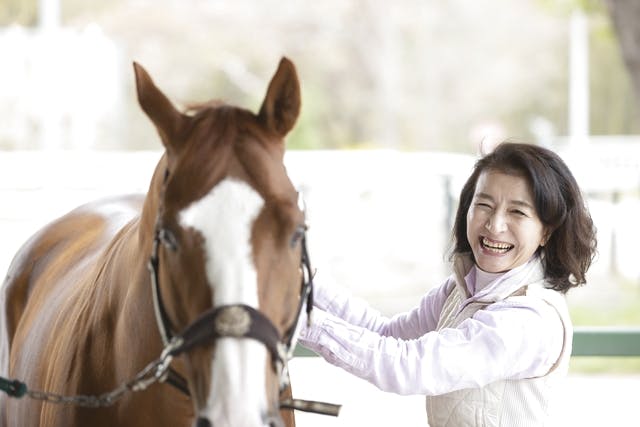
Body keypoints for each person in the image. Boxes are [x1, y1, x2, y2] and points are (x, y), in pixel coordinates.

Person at [298, 142, 597, 427]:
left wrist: (295, 320)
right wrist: (303, 280)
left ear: (546, 231)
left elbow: (411, 366)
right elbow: (387, 334)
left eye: (517, 212)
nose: (495, 225)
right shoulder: (460, 289)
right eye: (484, 204)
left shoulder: (530, 320)